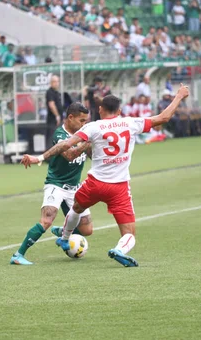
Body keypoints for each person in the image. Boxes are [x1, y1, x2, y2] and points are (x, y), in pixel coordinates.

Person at [20, 86, 190, 267]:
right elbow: (163, 118)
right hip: (119, 187)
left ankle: (65, 237)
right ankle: (119, 250)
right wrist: (179, 96)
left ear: (100, 110)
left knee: (76, 208)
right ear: (120, 111)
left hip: (95, 183)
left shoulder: (93, 127)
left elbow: (66, 146)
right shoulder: (131, 123)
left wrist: (39, 157)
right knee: (129, 233)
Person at [10, 103, 93, 265]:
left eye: (86, 121)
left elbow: (90, 154)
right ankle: (18, 255)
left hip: (75, 187)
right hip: (56, 184)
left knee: (87, 230)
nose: (84, 124)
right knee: (47, 220)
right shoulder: (60, 134)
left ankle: (64, 232)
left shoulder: (82, 134)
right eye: (81, 120)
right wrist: (88, 142)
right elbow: (69, 155)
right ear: (70, 118)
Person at [45, 75, 63, 150]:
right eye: (54, 82)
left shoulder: (56, 93)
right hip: (53, 119)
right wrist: (57, 116)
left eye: (57, 81)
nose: (56, 83)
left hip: (59, 118)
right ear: (51, 83)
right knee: (51, 138)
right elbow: (51, 105)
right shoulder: (50, 92)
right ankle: (49, 156)